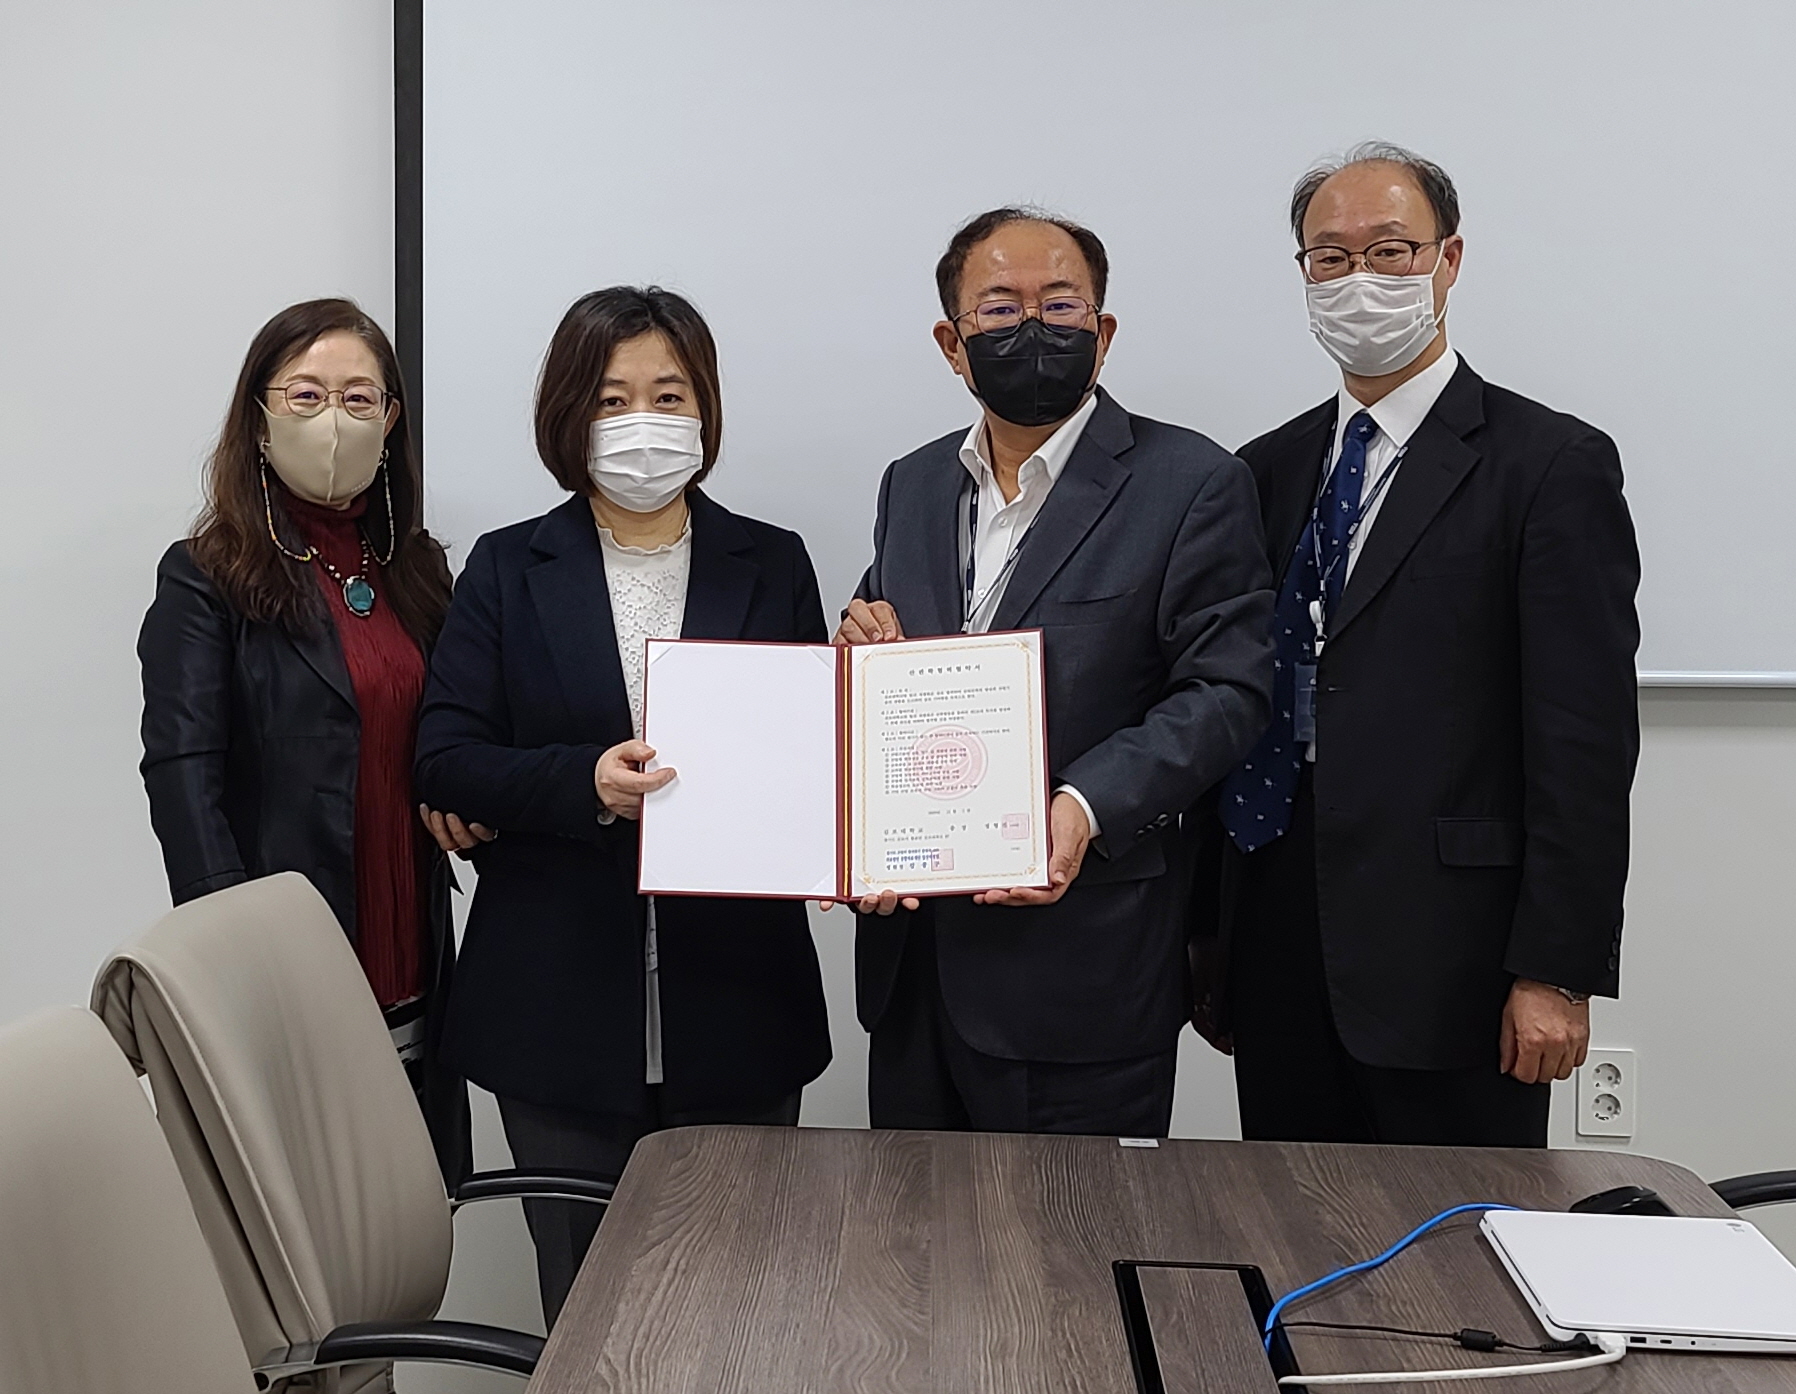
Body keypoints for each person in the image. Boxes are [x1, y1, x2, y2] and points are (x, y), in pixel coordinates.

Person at [1201, 142, 1641, 1148]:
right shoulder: (1262, 470)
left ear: (1447, 261)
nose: (1361, 280)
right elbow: (1232, 696)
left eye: (1390, 250)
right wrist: (1208, 933)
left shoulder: (1550, 464)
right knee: (1282, 1226)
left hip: (1457, 956)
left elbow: (1584, 739)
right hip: (1276, 930)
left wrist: (1556, 968)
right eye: (1330, 257)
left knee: (1454, 1259)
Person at [414, 286, 832, 1326]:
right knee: (590, 1311)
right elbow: (447, 757)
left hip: (741, 1000)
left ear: (706, 409)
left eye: (669, 392)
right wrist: (582, 782)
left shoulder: (772, 560)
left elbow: (810, 755)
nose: (643, 422)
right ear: (569, 415)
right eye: (611, 398)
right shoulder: (509, 566)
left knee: (737, 1310)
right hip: (553, 1008)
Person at [836, 207, 1275, 1138]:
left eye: (1060, 306)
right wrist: (858, 650)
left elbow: (1227, 693)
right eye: (998, 311)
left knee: (1070, 1260)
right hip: (913, 966)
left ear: (1102, 333)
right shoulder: (910, 483)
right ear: (952, 345)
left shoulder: (1191, 480)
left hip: (1082, 975)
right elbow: (890, 652)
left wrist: (1081, 806)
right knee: (914, 1263)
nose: (1031, 330)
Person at [138, 298, 471, 1182]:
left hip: (415, 957)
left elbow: (450, 736)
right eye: (307, 395)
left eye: (360, 399)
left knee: (413, 1218)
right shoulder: (207, 576)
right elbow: (182, 777)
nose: (335, 420)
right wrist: (238, 960)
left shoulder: (422, 570)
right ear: (258, 417)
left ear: (391, 420)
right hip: (284, 964)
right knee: (308, 1253)